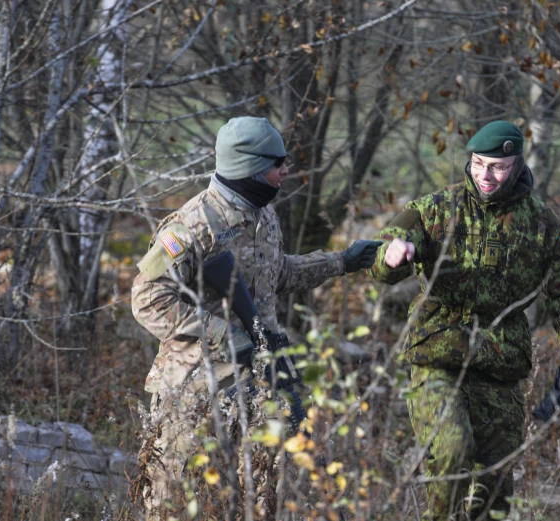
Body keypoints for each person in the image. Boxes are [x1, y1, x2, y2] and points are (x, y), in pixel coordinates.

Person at [131, 116, 381, 520]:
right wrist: (220, 333)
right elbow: (146, 298)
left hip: (259, 379)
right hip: (196, 388)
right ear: (247, 167)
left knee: (270, 494)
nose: (286, 168)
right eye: (277, 161)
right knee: (172, 500)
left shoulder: (264, 216)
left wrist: (342, 262)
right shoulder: (193, 225)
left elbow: (276, 274)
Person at [369, 120, 560, 519]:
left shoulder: (541, 224)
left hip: (499, 361)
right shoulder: (437, 208)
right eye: (477, 164)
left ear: (517, 163)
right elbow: (390, 249)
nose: (485, 175)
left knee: (494, 491)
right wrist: (393, 252)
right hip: (438, 352)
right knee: (452, 449)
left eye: (497, 167)